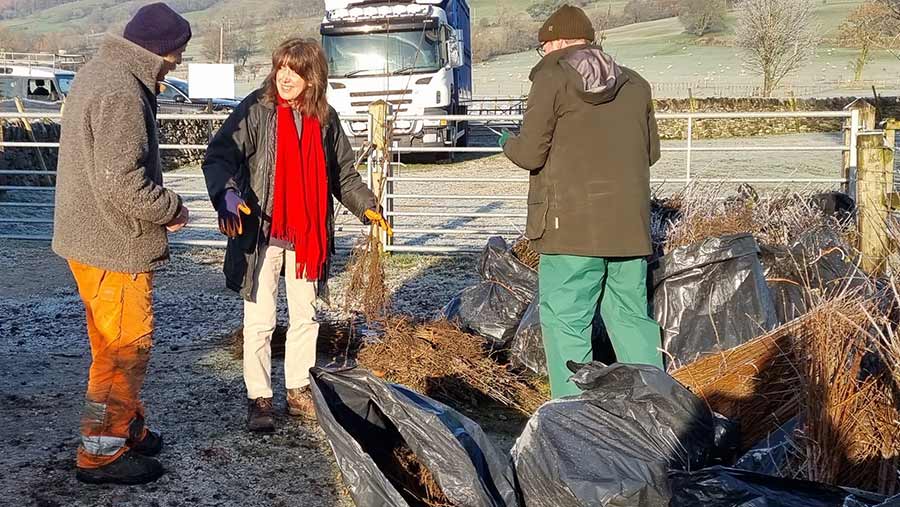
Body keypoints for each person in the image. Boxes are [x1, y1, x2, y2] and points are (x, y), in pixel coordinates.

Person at [202, 38, 390, 433]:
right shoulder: (256, 109)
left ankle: (299, 387)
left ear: (312, 77)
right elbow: (221, 155)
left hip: (307, 236)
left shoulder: (325, 118)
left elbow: (343, 174)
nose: (285, 77)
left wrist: (366, 204)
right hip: (262, 230)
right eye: (281, 68)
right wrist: (228, 194)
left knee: (305, 316)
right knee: (260, 319)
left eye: (295, 70)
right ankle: (259, 397)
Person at [51, 2, 191, 485]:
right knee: (124, 348)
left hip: (88, 237)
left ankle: (126, 425)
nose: (177, 64)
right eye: (178, 55)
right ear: (161, 52)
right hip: (114, 242)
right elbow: (122, 182)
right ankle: (101, 453)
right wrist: (171, 208)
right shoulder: (122, 89)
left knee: (109, 343)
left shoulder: (99, 73)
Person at [500, 4, 664, 398]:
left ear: (555, 42)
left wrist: (505, 142)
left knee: (567, 323)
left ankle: (574, 422)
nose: (543, 54)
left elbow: (529, 154)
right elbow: (651, 153)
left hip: (569, 228)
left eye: (543, 47)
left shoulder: (551, 78)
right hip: (628, 229)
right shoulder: (636, 84)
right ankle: (657, 408)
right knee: (631, 320)